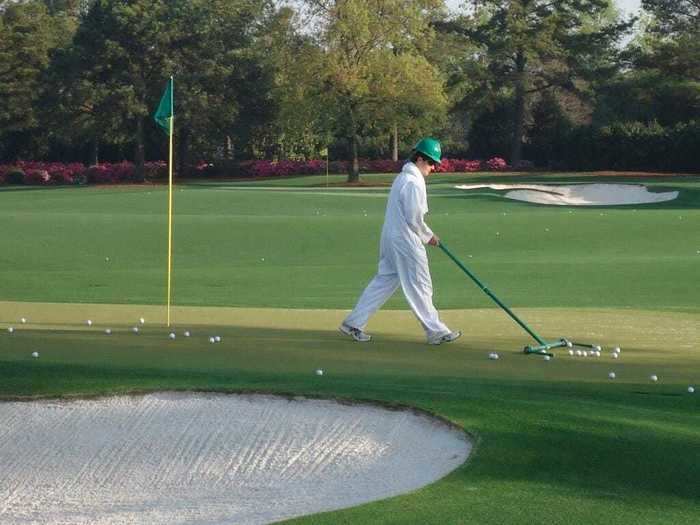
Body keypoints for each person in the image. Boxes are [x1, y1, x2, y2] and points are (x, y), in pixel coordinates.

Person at [339, 137, 461, 345]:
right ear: (420, 159)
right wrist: (429, 236)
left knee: (384, 281)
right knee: (420, 285)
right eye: (431, 162)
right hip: (406, 241)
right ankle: (436, 331)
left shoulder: (402, 178)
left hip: (391, 238)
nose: (433, 167)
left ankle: (353, 323)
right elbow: (414, 218)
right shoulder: (413, 182)